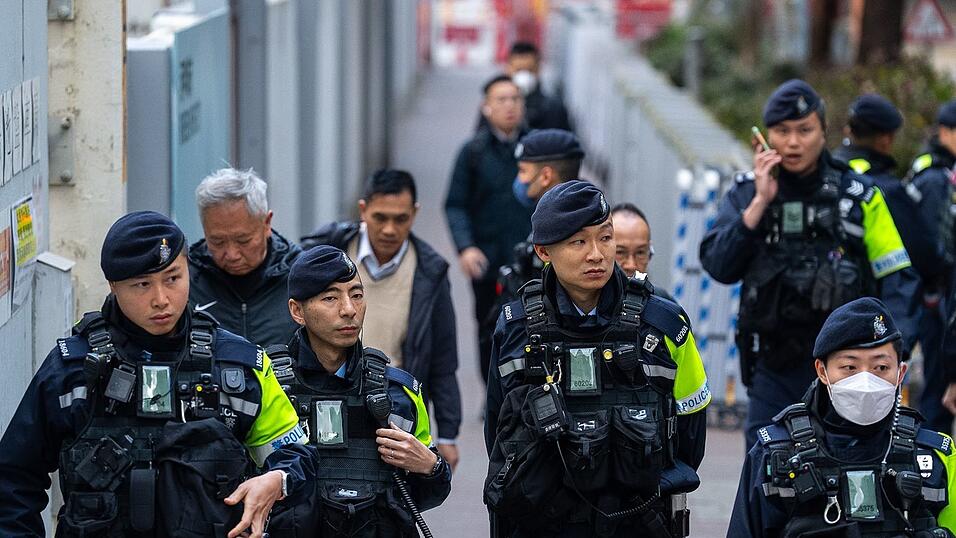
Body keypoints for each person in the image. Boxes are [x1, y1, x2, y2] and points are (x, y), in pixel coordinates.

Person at [0, 211, 314, 538]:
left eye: (173, 278)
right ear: (113, 285)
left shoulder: (240, 366)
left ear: (189, 270)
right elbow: (13, 480)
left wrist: (278, 479)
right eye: (142, 285)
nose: (161, 299)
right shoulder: (73, 371)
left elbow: (297, 456)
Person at [699, 79, 921, 450]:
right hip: (774, 365)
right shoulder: (747, 192)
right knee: (766, 464)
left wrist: (893, 356)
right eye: (782, 131)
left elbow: (898, 279)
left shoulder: (859, 196)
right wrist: (759, 202)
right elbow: (719, 266)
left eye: (804, 130)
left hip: (850, 370)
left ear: (824, 131)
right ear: (765, 136)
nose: (793, 142)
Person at [484, 181, 710, 537]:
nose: (597, 254)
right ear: (543, 251)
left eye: (605, 238)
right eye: (579, 242)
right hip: (541, 522)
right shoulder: (515, 328)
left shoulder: (665, 325)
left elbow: (690, 438)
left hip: (637, 521)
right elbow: (499, 432)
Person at [727, 297, 956, 537]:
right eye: (849, 367)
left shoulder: (936, 455)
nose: (866, 381)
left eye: (881, 368)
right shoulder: (773, 454)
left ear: (900, 373)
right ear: (822, 371)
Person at [266, 245, 451, 537]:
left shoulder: (399, 393)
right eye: (330, 298)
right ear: (296, 311)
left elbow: (425, 497)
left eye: (356, 295)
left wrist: (431, 467)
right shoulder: (268, 388)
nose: (349, 309)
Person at [301, 169, 462, 469]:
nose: (389, 229)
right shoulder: (329, 252)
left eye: (400, 219)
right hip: (326, 401)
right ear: (363, 210)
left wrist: (448, 435)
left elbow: (443, 357)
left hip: (394, 412)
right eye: (380, 217)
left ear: (414, 214)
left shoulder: (430, 272)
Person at [834, 94, 950, 434]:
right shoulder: (884, 188)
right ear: (886, 138)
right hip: (874, 320)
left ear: (847, 130)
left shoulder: (831, 176)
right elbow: (923, 255)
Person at [446, 74, 531, 384]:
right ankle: (492, 394)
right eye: (501, 99)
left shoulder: (535, 149)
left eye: (515, 99)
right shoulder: (473, 152)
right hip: (487, 261)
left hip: (532, 259)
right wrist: (465, 247)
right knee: (489, 328)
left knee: (533, 326)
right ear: (486, 107)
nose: (510, 106)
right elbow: (454, 204)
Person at [188, 167, 302, 347]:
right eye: (217, 242)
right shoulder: (185, 281)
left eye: (243, 241)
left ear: (267, 223)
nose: (232, 255)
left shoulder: (300, 276)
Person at [916, 101, 956, 430]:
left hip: (941, 296)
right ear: (945, 132)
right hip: (936, 298)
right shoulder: (935, 177)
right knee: (939, 389)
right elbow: (930, 246)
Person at [476, 42, 573, 132]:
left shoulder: (553, 108)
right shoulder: (493, 105)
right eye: (519, 70)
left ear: (538, 69)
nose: (524, 76)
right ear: (507, 69)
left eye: (529, 70)